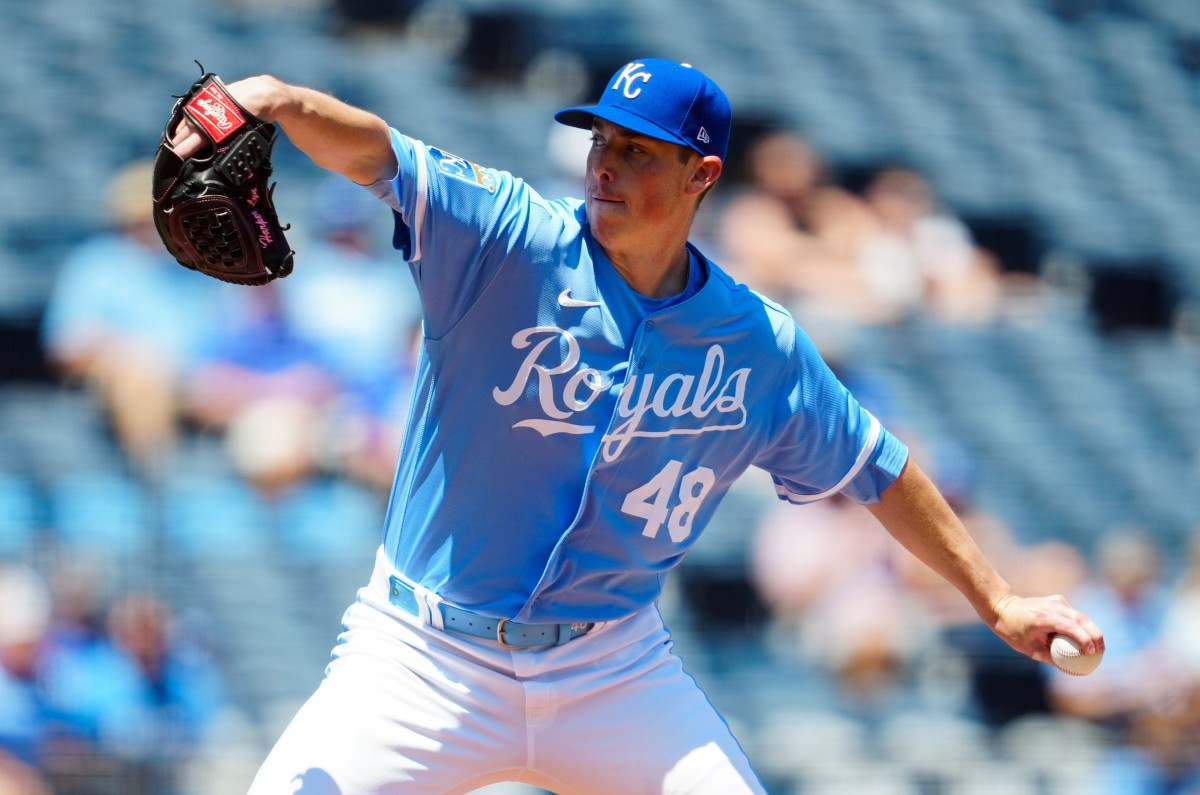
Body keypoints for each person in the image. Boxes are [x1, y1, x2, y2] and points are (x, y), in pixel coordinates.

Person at [168, 57, 1104, 794]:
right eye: (601, 142)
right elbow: (380, 152)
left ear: (701, 176)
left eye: (638, 152)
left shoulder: (757, 345)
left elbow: (878, 467)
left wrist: (997, 599)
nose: (606, 166)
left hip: (609, 671)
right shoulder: (508, 237)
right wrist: (280, 100)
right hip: (423, 652)